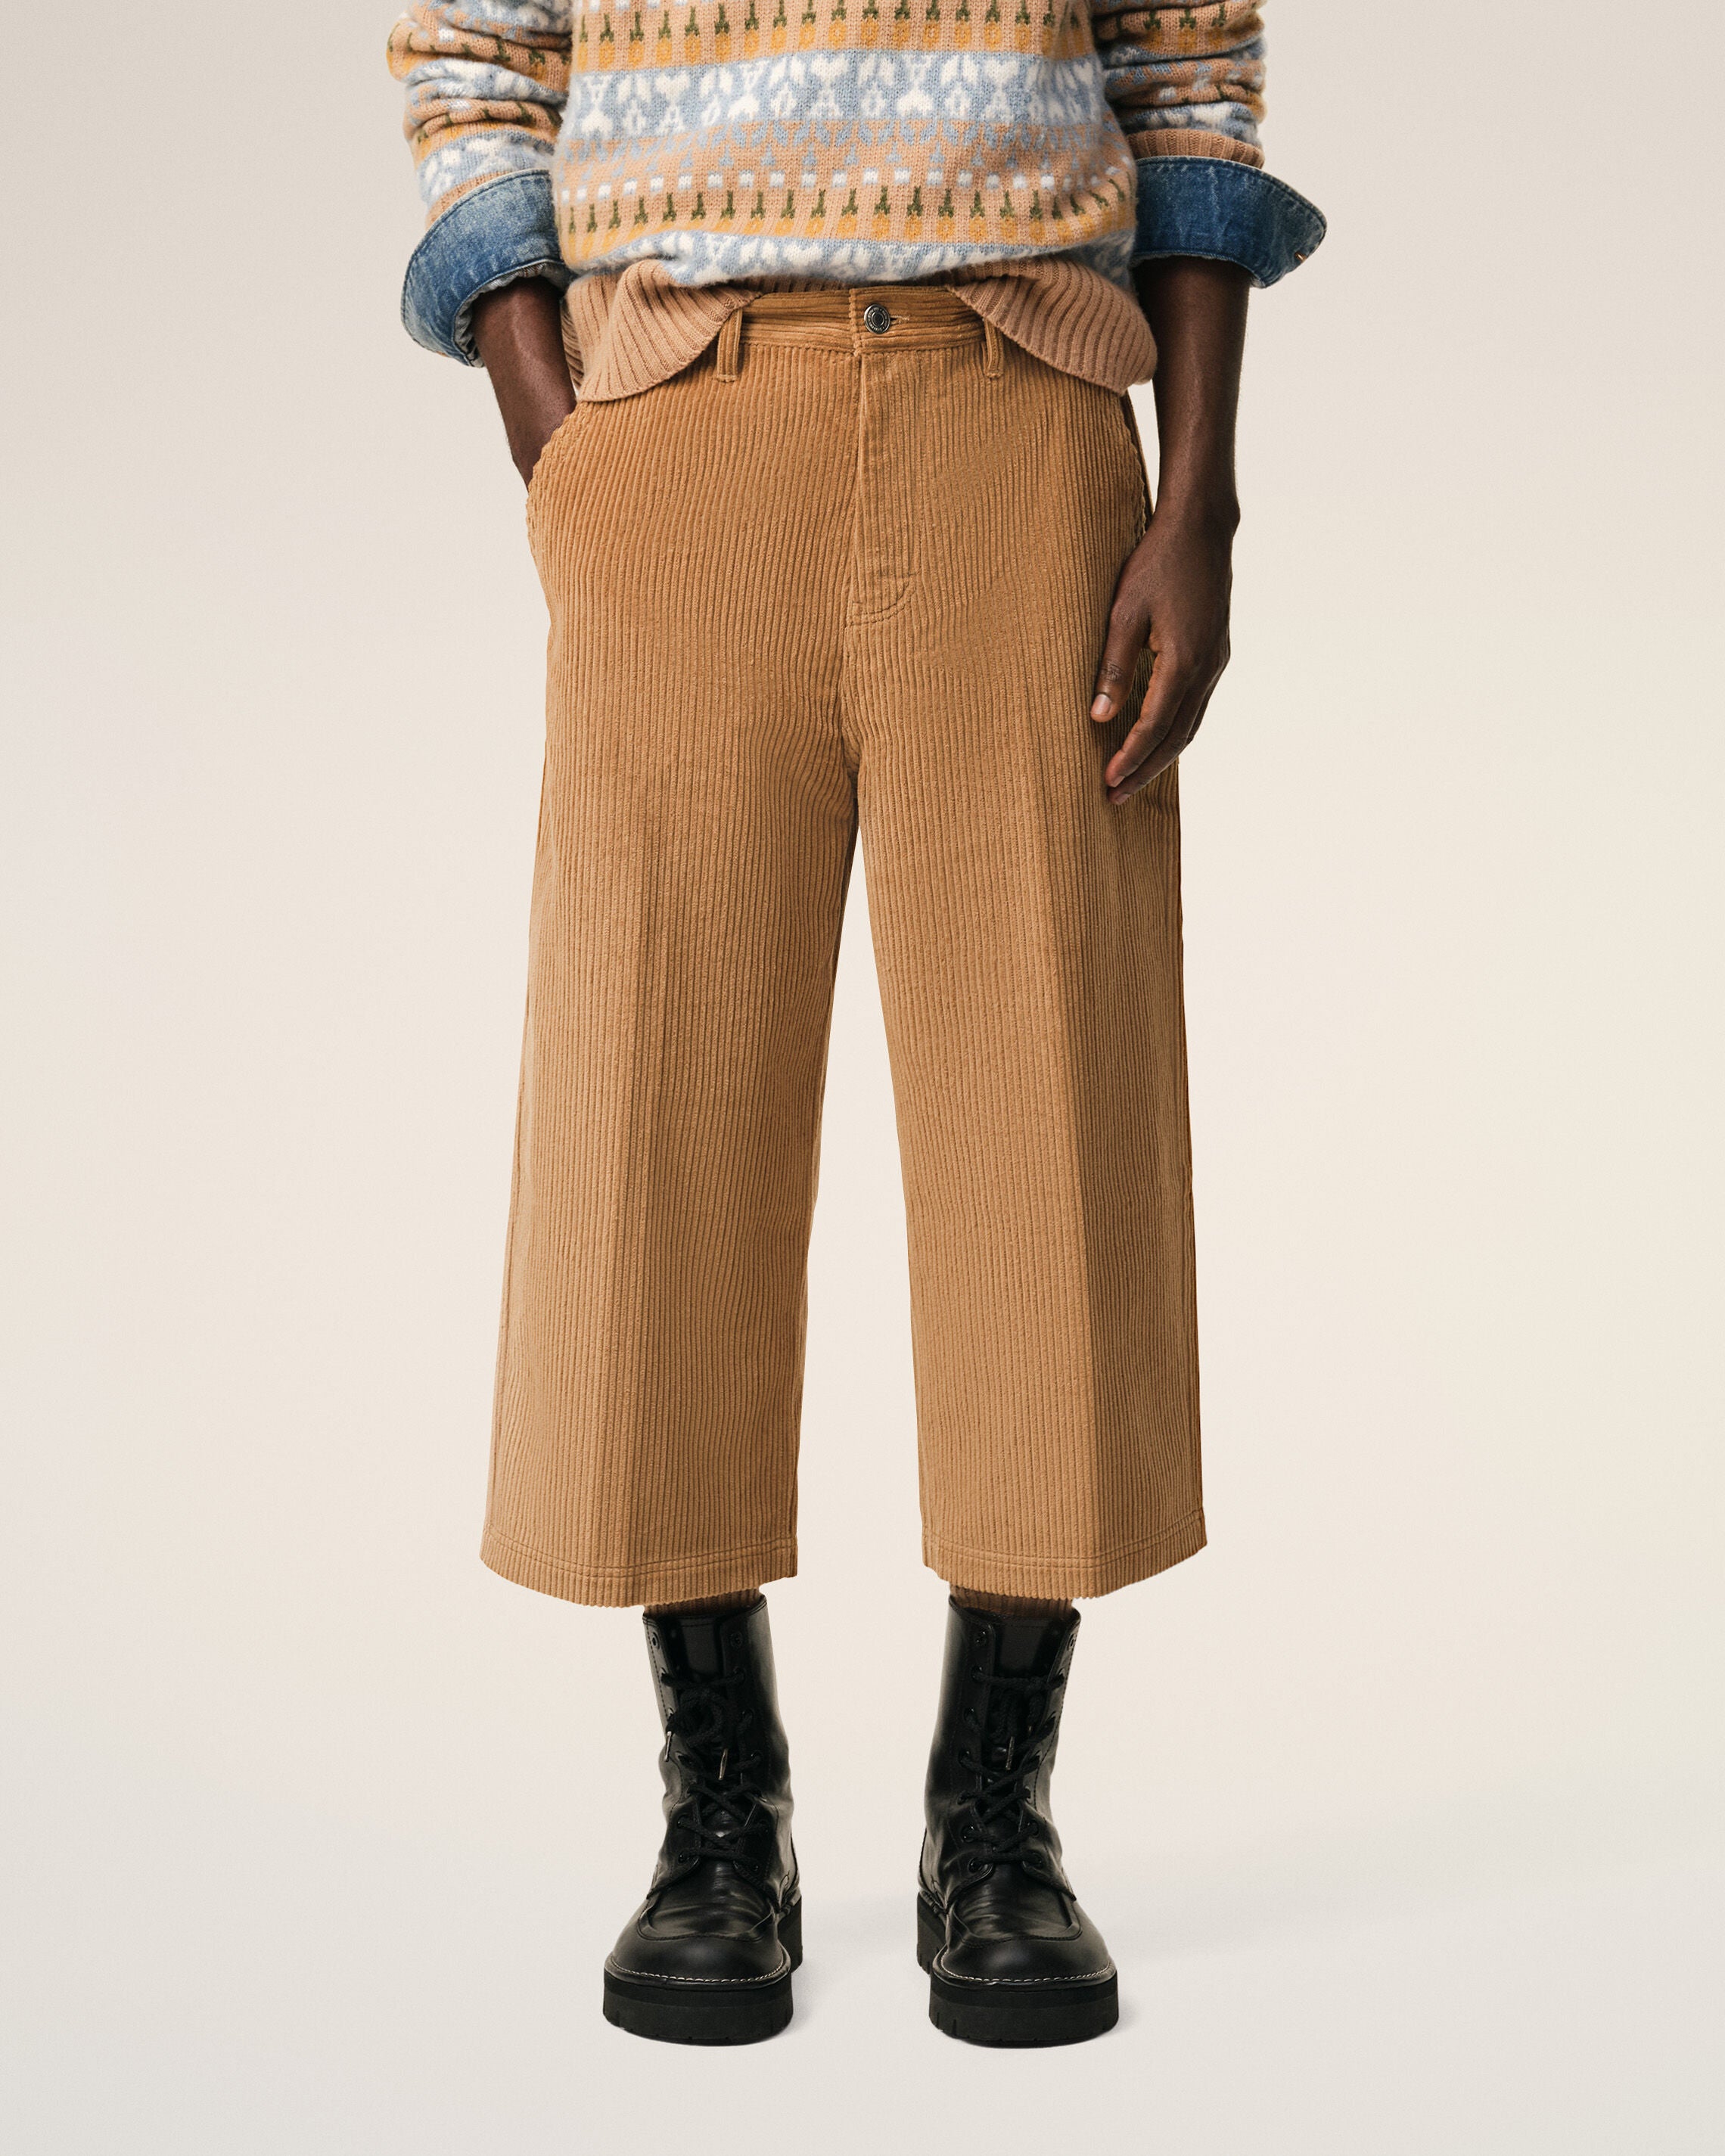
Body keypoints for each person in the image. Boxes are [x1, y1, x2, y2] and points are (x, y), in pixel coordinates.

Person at [385, 0, 1322, 2048]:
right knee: (661, 1101)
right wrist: (561, 450)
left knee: (1043, 1098)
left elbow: (1188, 64)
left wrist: (1202, 498)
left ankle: (998, 1811)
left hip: (1022, 407)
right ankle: (718, 1806)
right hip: (676, 422)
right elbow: (471, 57)